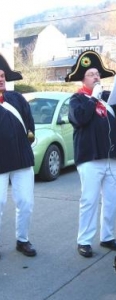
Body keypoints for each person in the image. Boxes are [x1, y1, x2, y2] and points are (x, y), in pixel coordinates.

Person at [66, 50, 116, 257]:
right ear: (83, 79)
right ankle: (84, 240)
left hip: (112, 157)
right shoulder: (77, 99)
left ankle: (107, 236)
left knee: (113, 199)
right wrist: (92, 100)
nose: (96, 77)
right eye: (91, 74)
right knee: (89, 200)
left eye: (97, 74)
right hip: (90, 158)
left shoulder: (107, 97)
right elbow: (80, 119)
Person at [0, 53, 37, 257]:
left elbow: (29, 123)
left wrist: (30, 135)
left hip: (22, 158)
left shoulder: (16, 98)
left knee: (26, 202)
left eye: (3, 75)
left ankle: (22, 240)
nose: (1, 78)